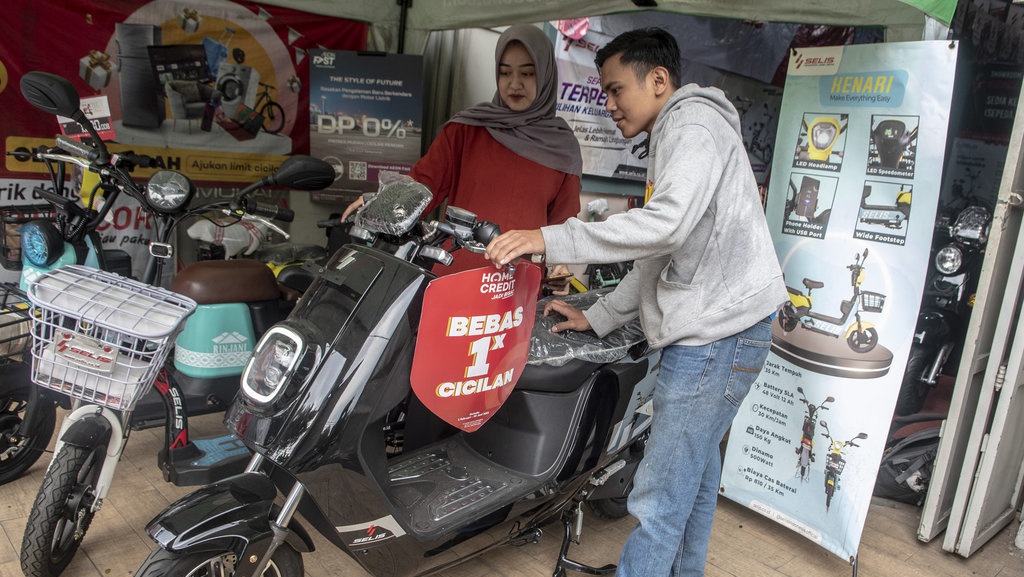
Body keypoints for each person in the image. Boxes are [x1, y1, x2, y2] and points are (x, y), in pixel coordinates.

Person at [485, 28, 787, 576]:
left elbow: (664, 228)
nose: (610, 103)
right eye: (603, 91)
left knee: (659, 496)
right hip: (729, 329)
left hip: (716, 338)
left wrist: (549, 237)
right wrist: (598, 315)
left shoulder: (691, 125)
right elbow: (658, 250)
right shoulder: (678, 130)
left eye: (616, 89)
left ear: (658, 79)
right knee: (691, 484)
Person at [342, 24, 582, 280]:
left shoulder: (562, 148)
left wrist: (561, 264)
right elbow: (424, 184)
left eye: (527, 73)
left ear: (545, 76)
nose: (514, 84)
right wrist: (381, 202)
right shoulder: (466, 131)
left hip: (519, 286)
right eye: (504, 72)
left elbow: (563, 225)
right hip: (455, 277)